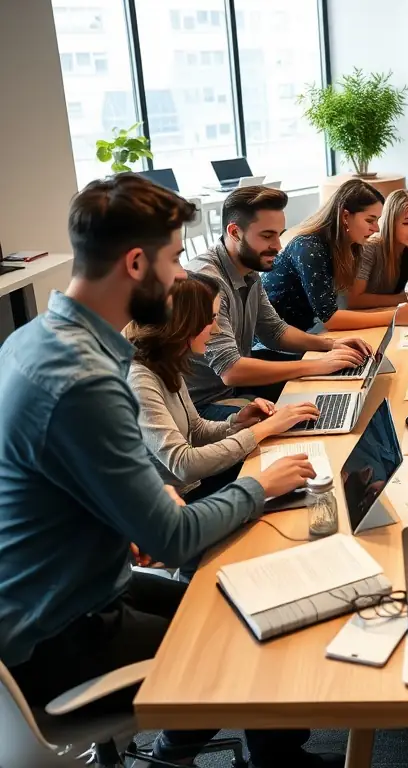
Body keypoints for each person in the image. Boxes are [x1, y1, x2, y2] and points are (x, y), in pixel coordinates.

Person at [0, 173, 341, 766]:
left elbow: (69, 477)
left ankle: (210, 751)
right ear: (136, 263)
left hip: (62, 591)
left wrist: (140, 494)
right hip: (57, 631)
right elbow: (174, 537)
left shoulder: (36, 341)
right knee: (254, 635)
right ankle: (266, 758)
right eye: (175, 258)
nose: (183, 275)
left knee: (227, 599)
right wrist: (262, 483)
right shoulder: (86, 379)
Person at [126, 273, 322, 500]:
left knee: (292, 472)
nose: (217, 329)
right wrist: (262, 430)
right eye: (211, 319)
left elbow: (196, 430)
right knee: (289, 484)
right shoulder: (140, 379)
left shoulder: (167, 360)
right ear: (184, 322)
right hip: (183, 500)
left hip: (194, 484)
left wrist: (236, 423)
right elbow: (183, 464)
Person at [185, 184, 373, 420]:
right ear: (234, 232)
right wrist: (315, 365)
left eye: (279, 234)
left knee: (337, 391)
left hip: (235, 388)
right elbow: (231, 370)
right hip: (200, 408)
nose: (277, 246)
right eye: (267, 236)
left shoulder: (249, 267)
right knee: (303, 415)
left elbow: (273, 331)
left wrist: (330, 346)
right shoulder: (206, 281)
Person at [263, 180, 408, 331]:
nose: (377, 229)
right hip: (276, 344)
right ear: (345, 216)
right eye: (370, 220)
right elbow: (331, 318)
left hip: (304, 333)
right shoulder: (309, 247)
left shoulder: (350, 246)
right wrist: (395, 316)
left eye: (377, 221)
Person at [349, 189, 408, 309]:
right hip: (360, 319)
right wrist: (404, 297)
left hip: (387, 314)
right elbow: (354, 300)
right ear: (391, 223)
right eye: (406, 223)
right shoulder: (370, 247)